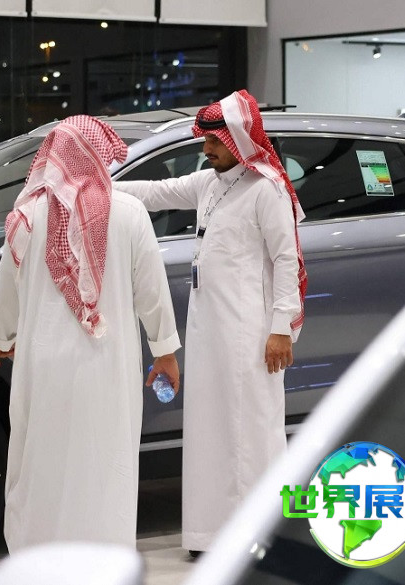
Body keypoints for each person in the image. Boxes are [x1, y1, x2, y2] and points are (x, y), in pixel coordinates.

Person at [114, 89, 307, 556]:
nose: (206, 149)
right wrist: (98, 186)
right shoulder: (209, 183)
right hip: (208, 330)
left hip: (251, 332)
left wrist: (281, 328)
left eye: (214, 141)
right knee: (210, 430)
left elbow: (287, 260)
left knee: (251, 431)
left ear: (238, 139)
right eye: (205, 140)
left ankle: (260, 534)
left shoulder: (266, 188)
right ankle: (211, 535)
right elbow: (155, 194)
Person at [0, 115, 182, 553]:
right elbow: (151, 291)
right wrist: (165, 351)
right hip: (107, 364)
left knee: (42, 459)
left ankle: (38, 559)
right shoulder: (128, 211)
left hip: (43, 365)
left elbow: (6, 291)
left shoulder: (26, 216)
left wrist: (3, 338)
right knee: (105, 458)